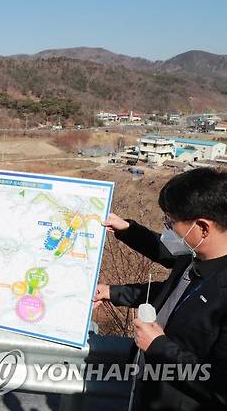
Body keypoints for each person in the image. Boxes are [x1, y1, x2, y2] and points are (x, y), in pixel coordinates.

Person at [93, 167, 227, 410]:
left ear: (203, 228)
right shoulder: (193, 256)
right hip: (145, 389)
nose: (167, 228)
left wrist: (158, 347)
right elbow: (171, 294)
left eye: (171, 221)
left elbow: (220, 386)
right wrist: (113, 291)